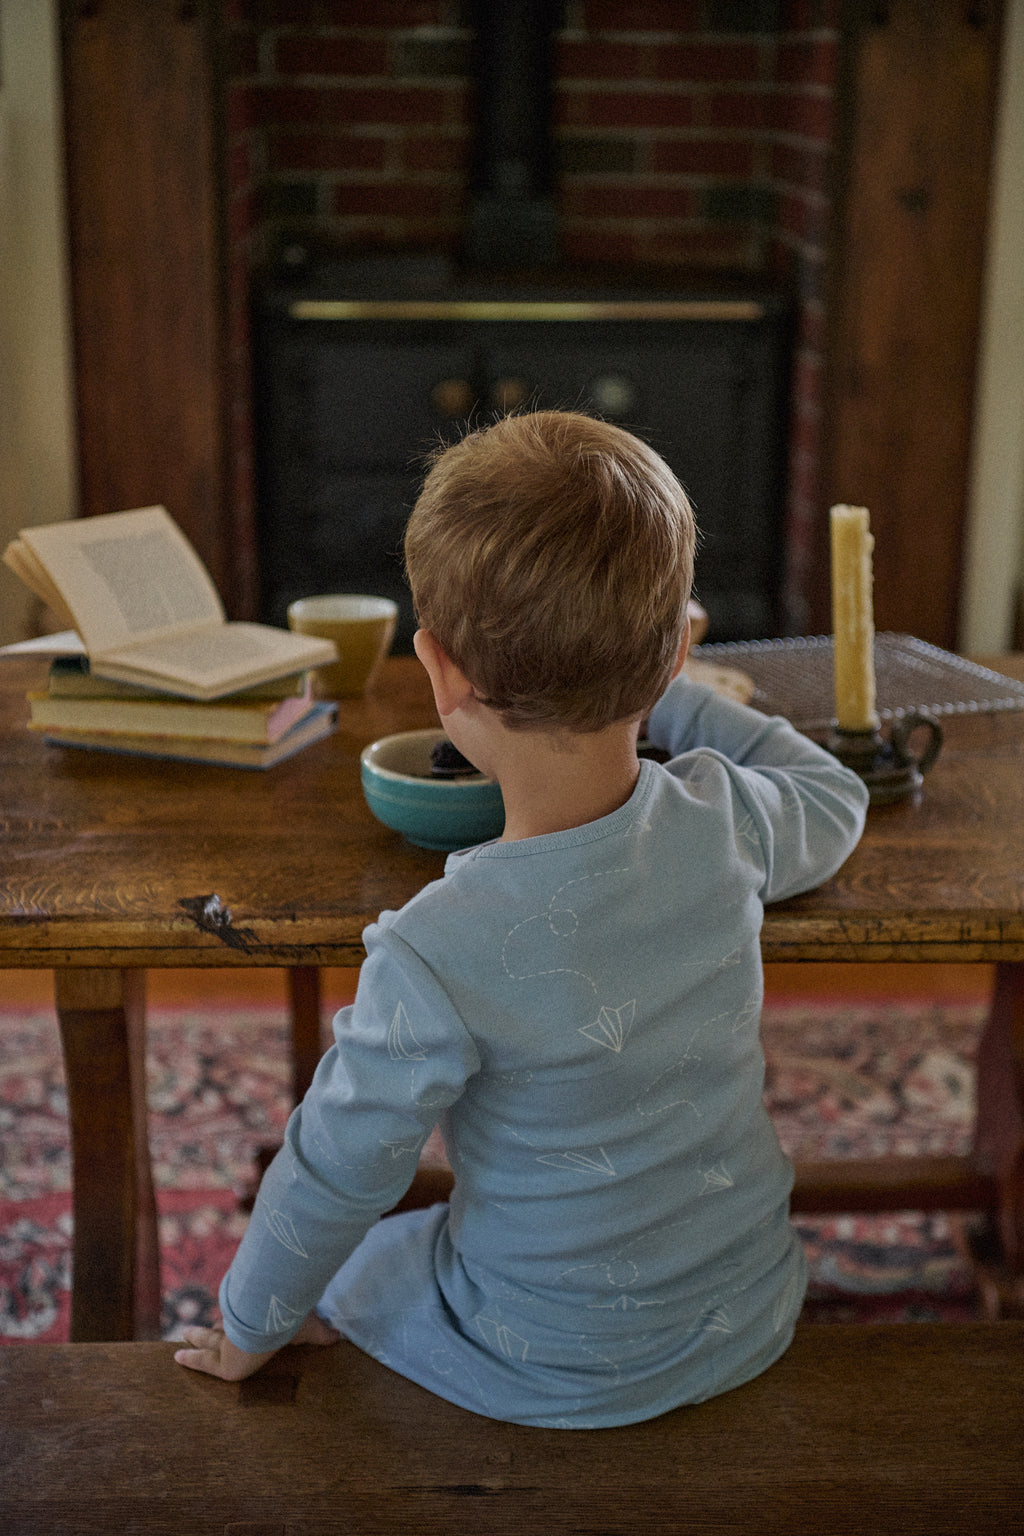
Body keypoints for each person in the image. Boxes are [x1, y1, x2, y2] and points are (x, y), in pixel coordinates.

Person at [175, 410, 869, 1427]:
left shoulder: (432, 950)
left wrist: (248, 1325)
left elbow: (336, 1165)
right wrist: (673, 695)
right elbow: (835, 796)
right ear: (680, 652)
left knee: (361, 1258)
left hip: (552, 1366)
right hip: (747, 1306)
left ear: (440, 670)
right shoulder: (724, 821)